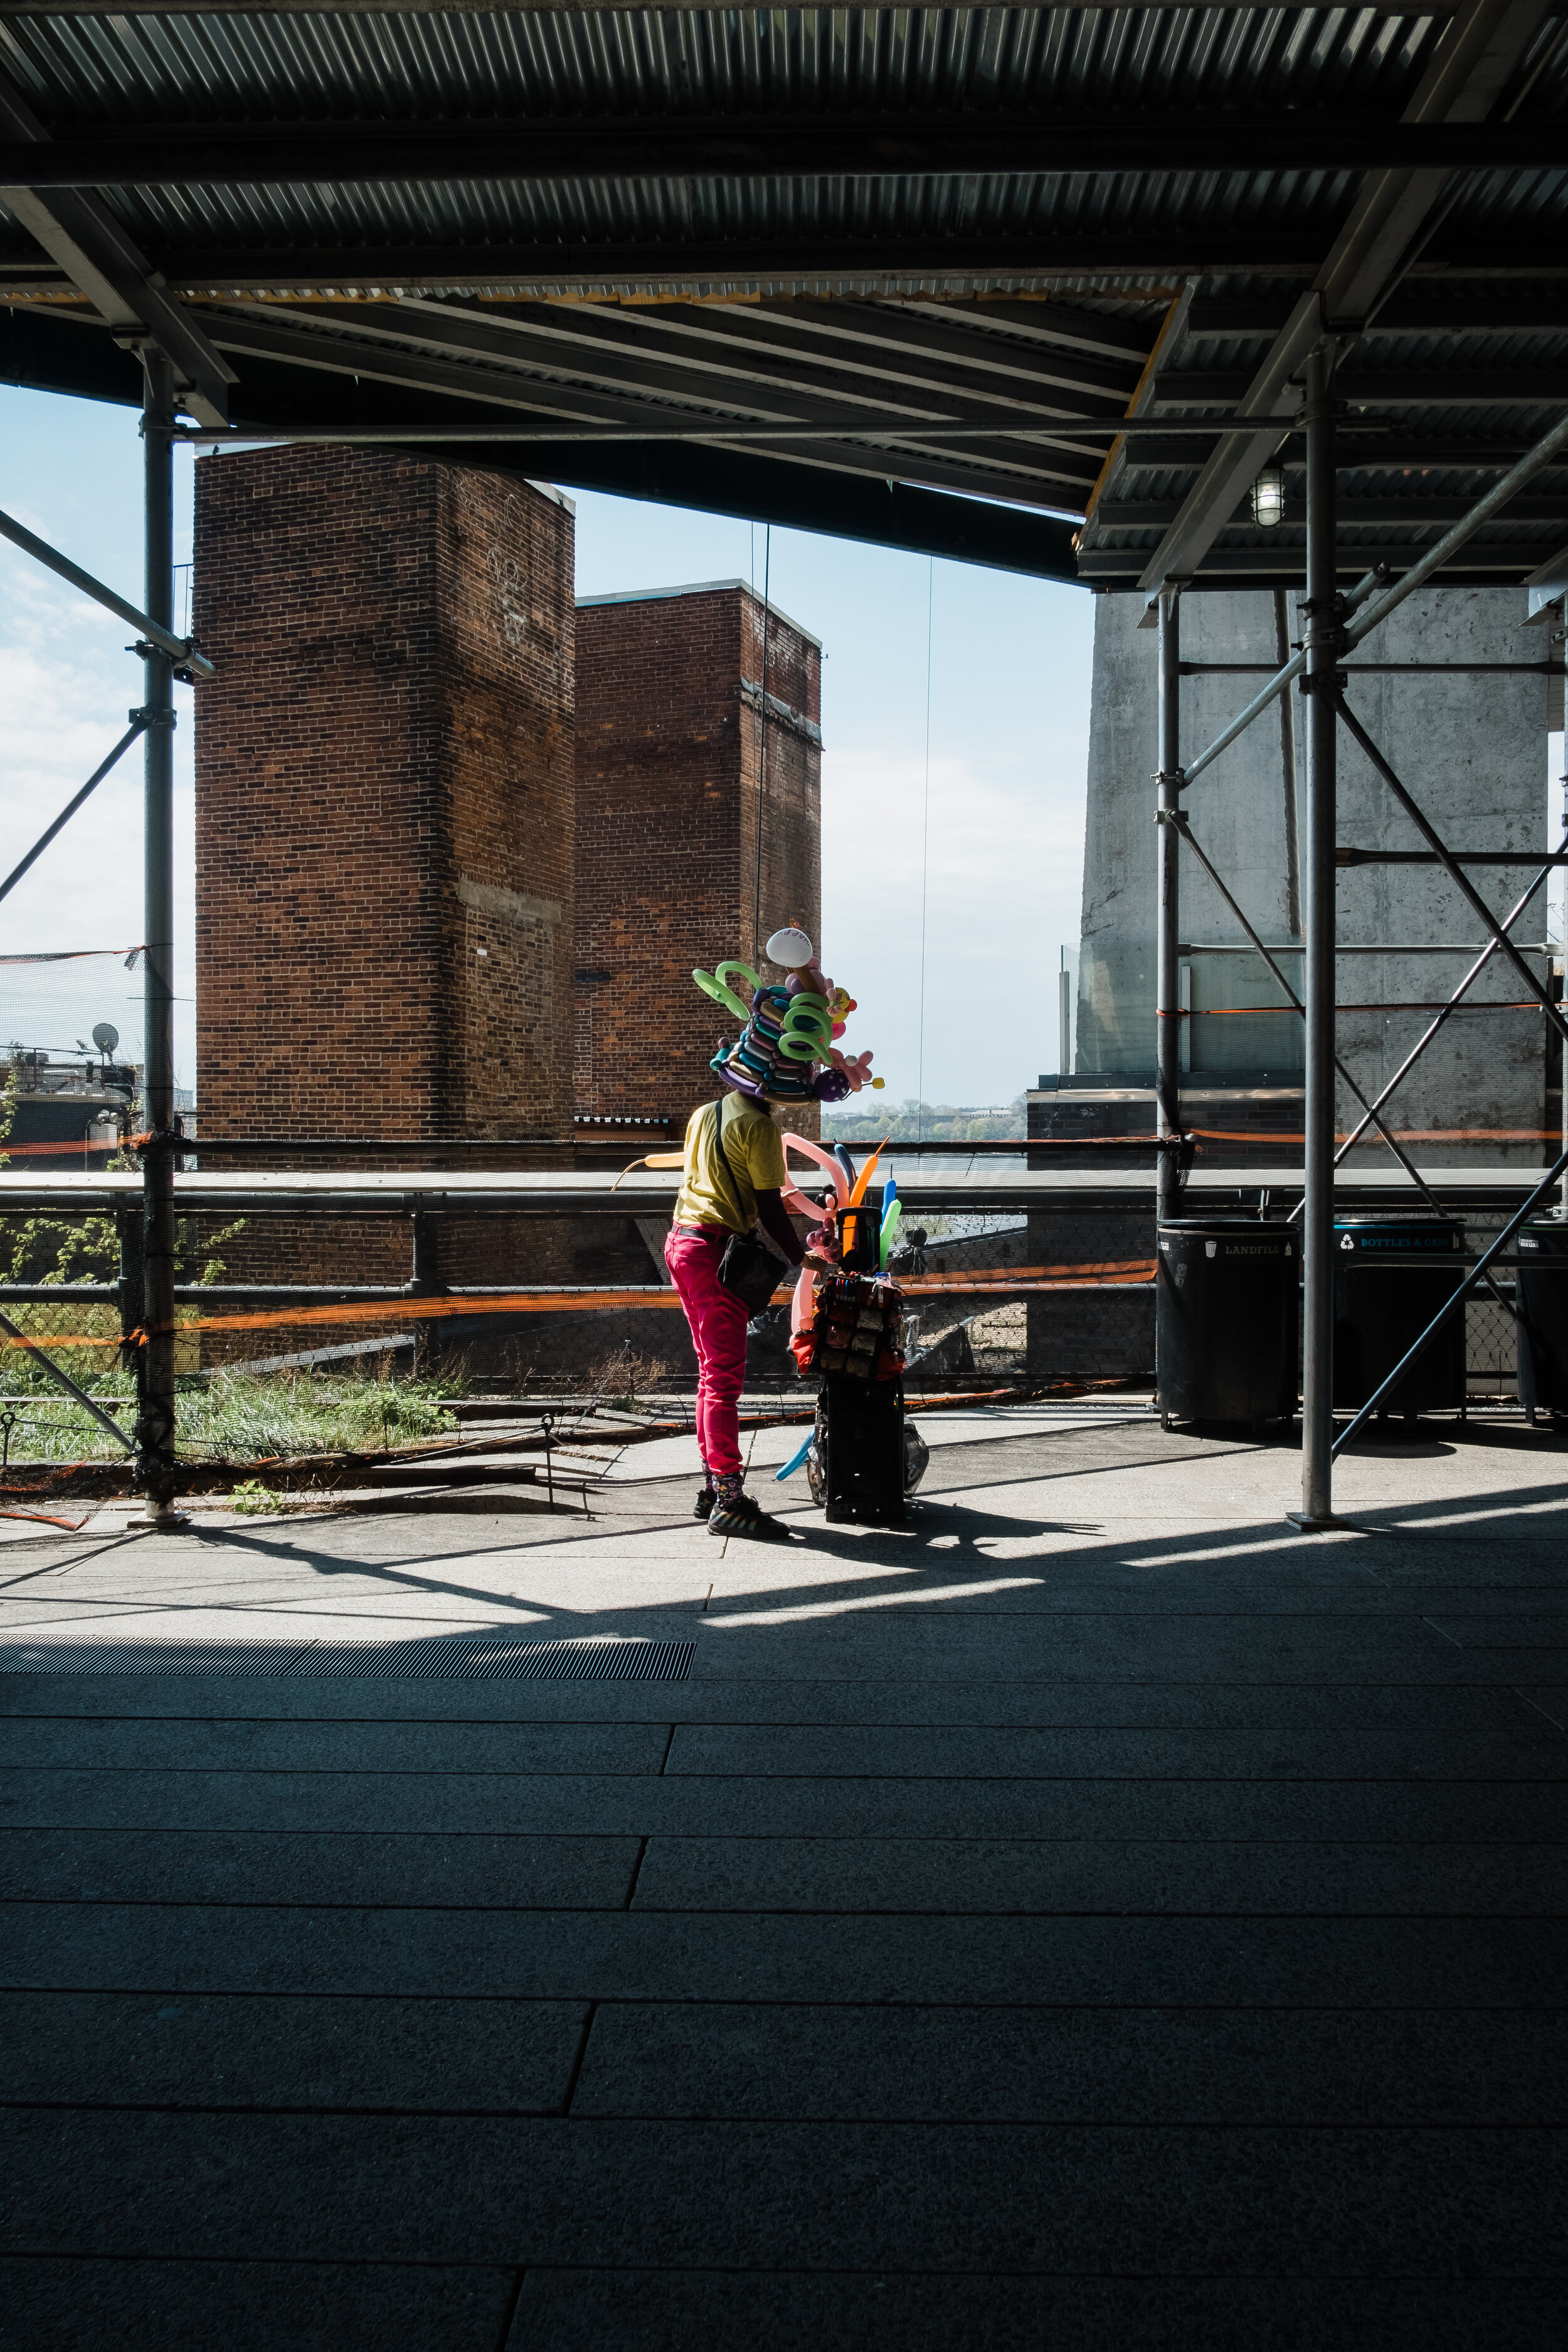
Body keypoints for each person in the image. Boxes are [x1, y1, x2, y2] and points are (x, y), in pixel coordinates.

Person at [665, 1086, 835, 1539]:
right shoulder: (759, 1127)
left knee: (709, 1373)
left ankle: (712, 1487)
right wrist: (803, 1257)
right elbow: (769, 1206)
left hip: (682, 1243)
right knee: (723, 1379)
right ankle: (729, 1501)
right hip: (716, 1254)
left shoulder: (705, 1112)